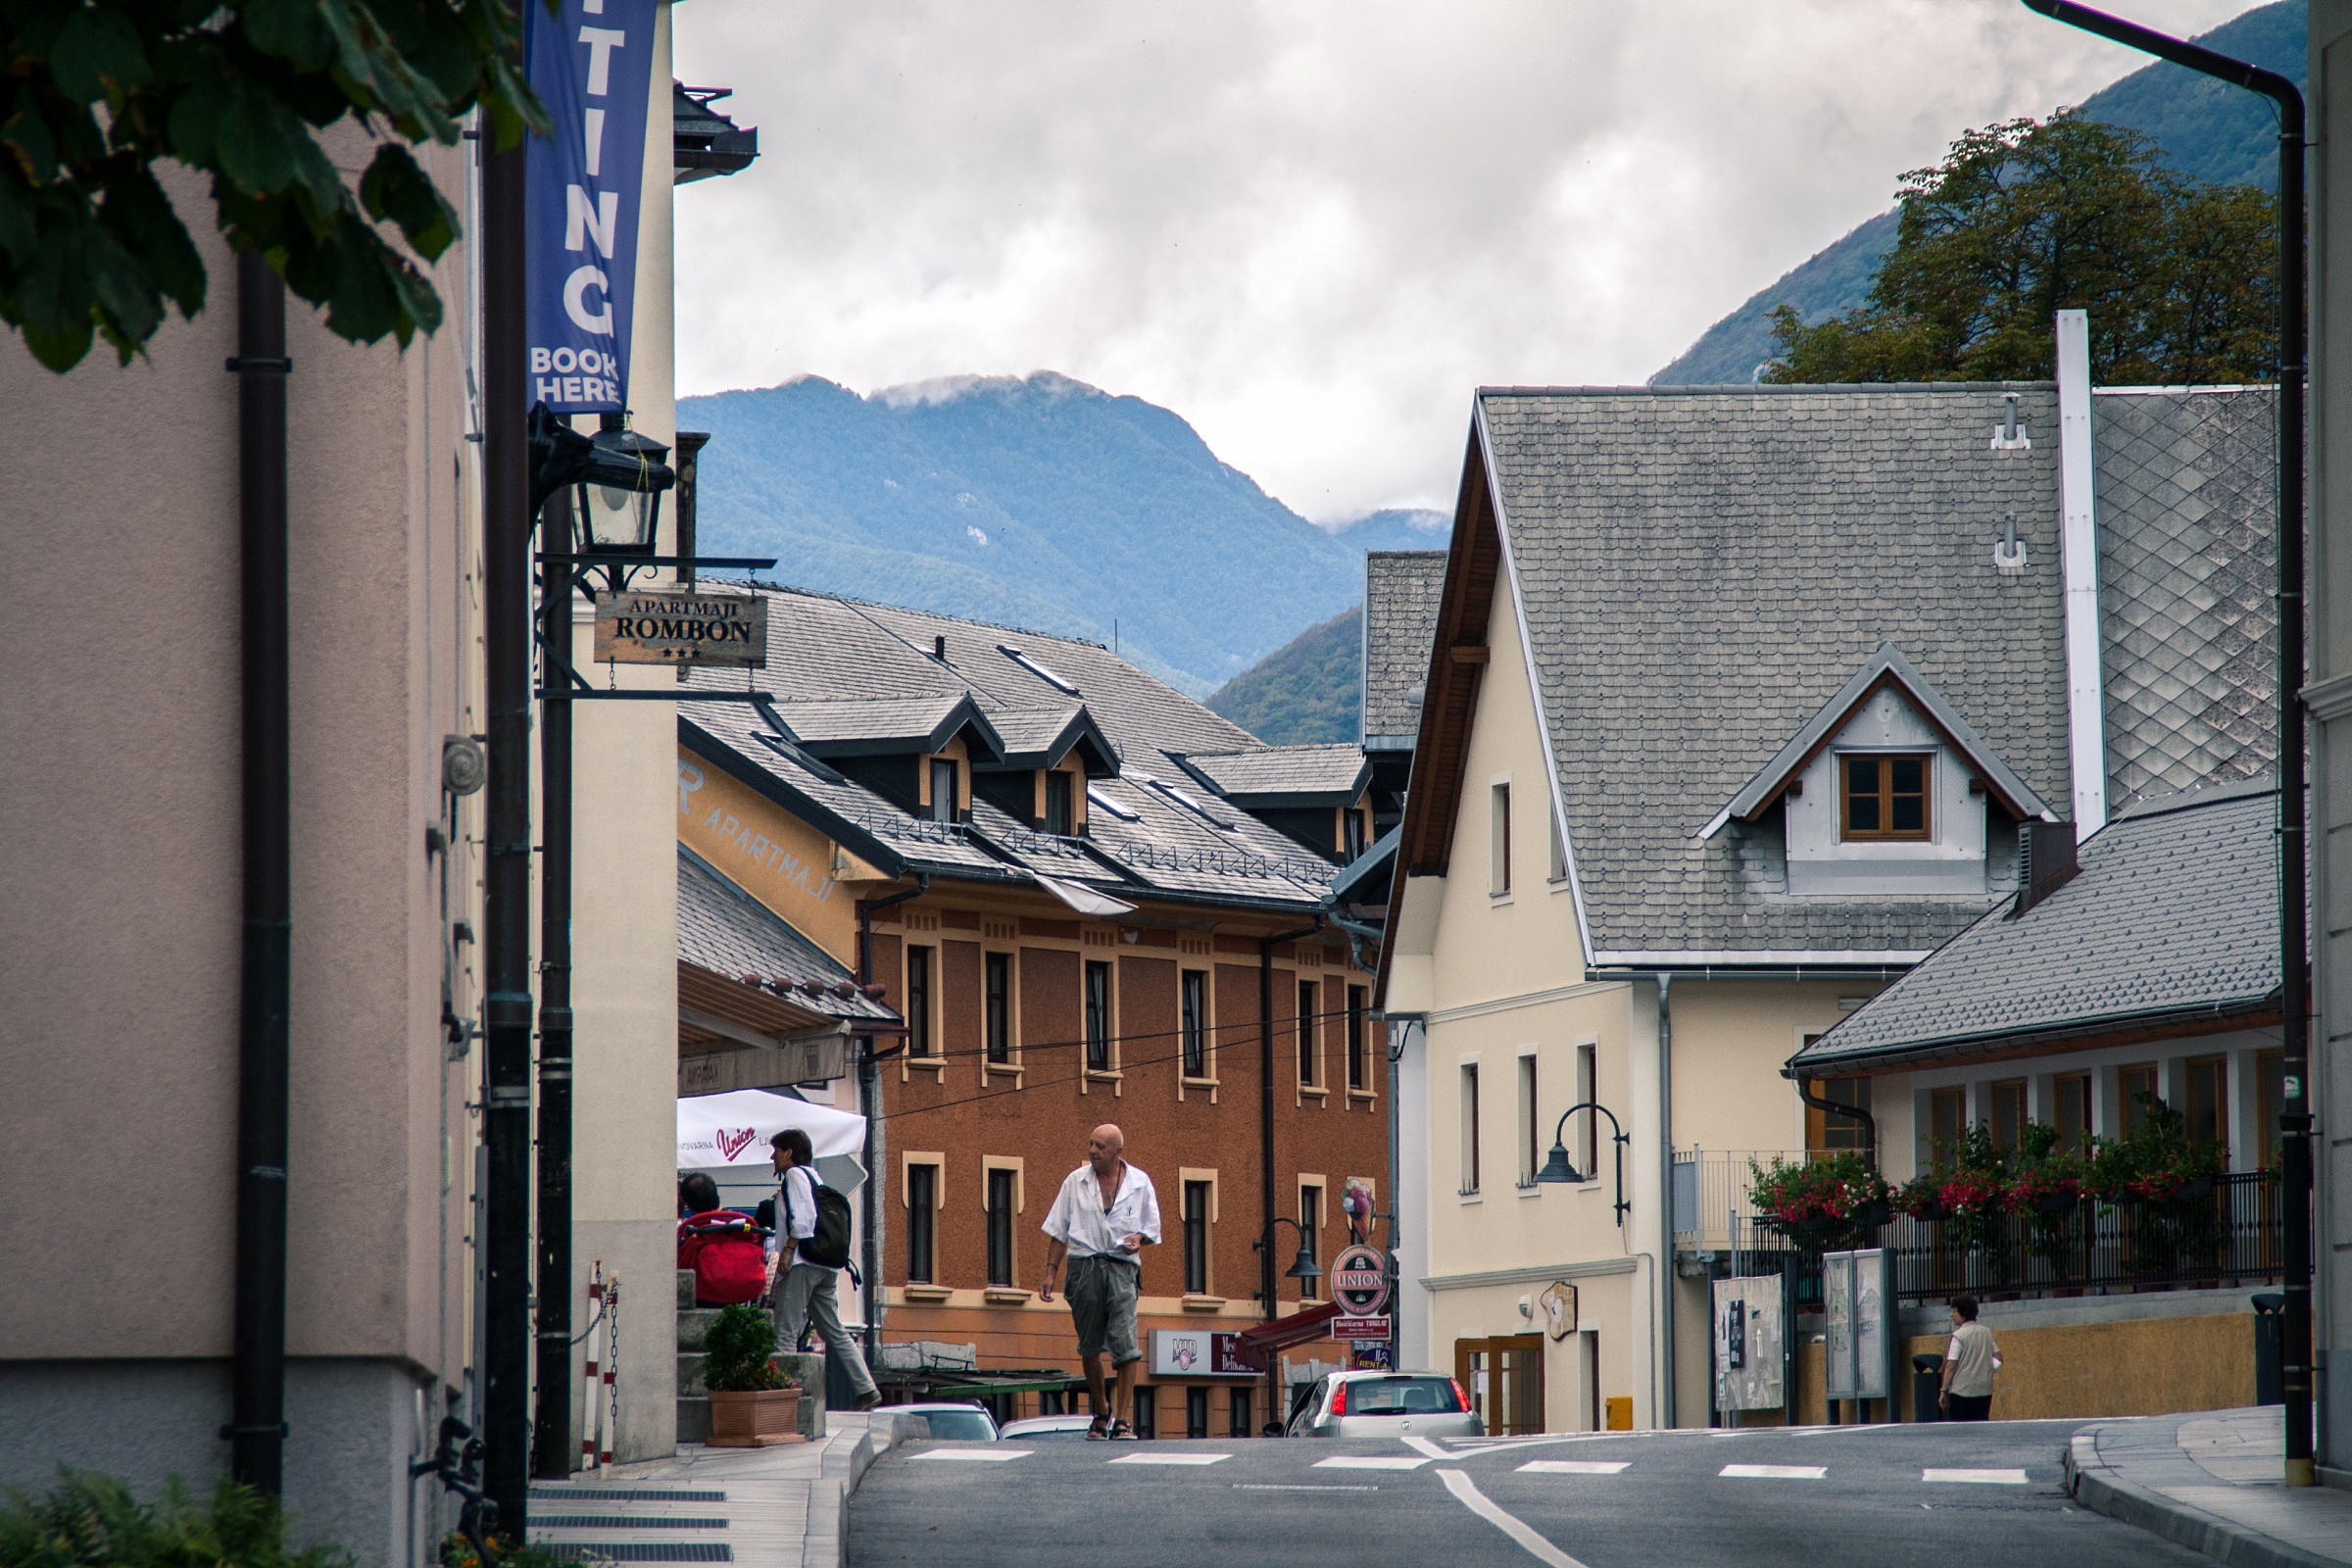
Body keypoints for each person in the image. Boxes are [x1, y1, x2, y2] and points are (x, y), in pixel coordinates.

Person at [1038, 1123, 1161, 1440]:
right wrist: (1050, 1272)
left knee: (1127, 1346)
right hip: (1084, 1267)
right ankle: (1101, 1410)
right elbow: (1058, 1230)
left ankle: (1123, 1419)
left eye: (1100, 1147)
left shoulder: (1140, 1183)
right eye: (1090, 1144)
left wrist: (1139, 1238)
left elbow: (1151, 1229)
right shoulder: (1074, 1182)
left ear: (1118, 1151)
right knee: (1089, 1345)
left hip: (1122, 1268)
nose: (1092, 1151)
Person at [769, 1127, 882, 1411]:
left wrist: (788, 1249)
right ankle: (866, 1388)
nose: (773, 1157)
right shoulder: (815, 1176)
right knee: (834, 1330)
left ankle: (781, 1397)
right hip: (826, 1264)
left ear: (789, 1152)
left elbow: (805, 1218)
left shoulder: (794, 1175)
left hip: (802, 1263)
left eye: (777, 1151)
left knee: (785, 1329)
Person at [675, 1173, 769, 1308]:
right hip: (745, 1291)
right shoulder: (742, 1225)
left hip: (706, 1295)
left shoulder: (692, 1232)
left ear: (688, 1205)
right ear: (715, 1193)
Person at [1939, 1294, 1999, 1421]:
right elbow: (1999, 1358)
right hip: (1984, 1389)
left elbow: (1951, 1366)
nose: (1951, 1315)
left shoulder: (1958, 1336)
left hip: (1961, 1391)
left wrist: (1943, 1390)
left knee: (1960, 1431)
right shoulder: (1986, 1332)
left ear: (1963, 1313)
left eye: (1954, 1311)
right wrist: (1988, 1369)